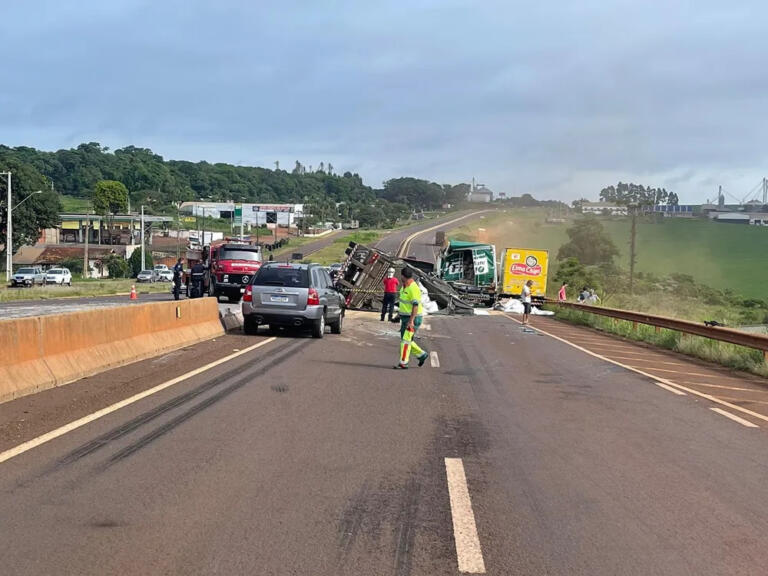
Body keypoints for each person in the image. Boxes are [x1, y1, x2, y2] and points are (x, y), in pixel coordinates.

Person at [395, 267, 429, 369]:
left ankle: (403, 362)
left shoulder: (413, 288)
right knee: (406, 339)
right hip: (405, 318)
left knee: (405, 341)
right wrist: (399, 315)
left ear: (403, 276)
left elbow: (415, 306)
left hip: (413, 318)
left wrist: (411, 321)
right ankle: (421, 354)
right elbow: (404, 304)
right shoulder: (404, 287)